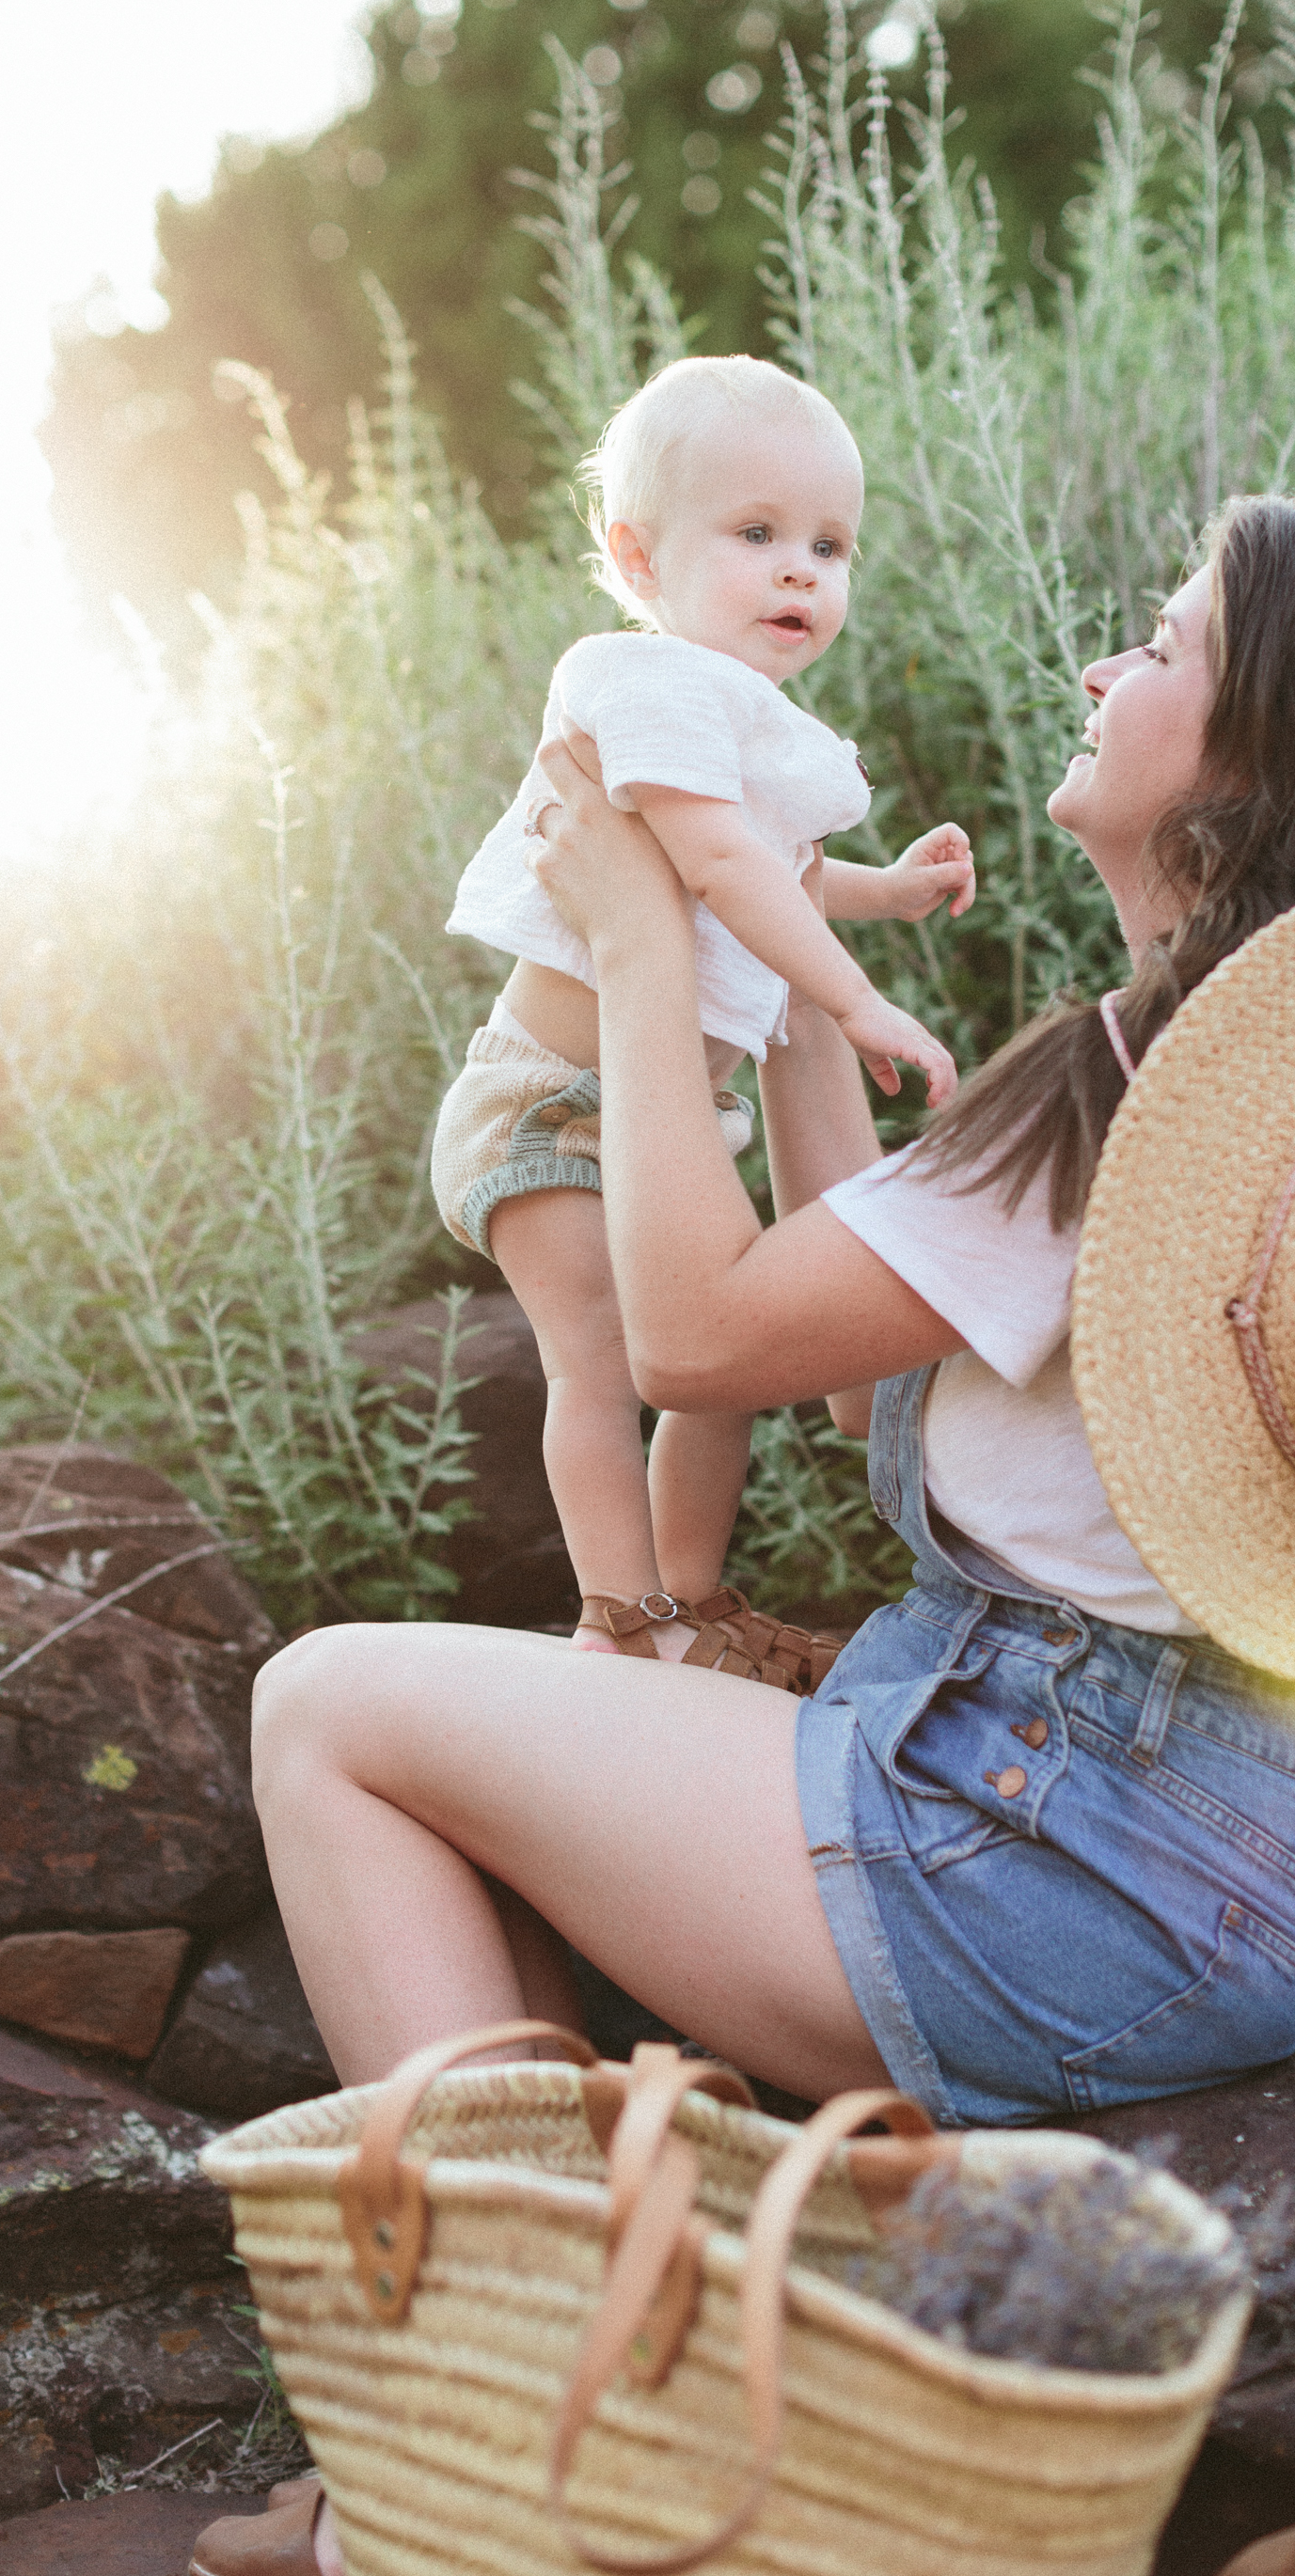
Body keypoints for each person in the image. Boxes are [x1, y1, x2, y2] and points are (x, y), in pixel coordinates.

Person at [202, 490, 1295, 2576]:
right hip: (1214, 1900)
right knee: (565, 1732)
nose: (1108, 669)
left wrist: (648, 959)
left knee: (328, 1710)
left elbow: (700, 1334)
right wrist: (800, 991)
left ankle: (492, 2422)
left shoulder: (1122, 1097)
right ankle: (544, 2376)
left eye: (1167, 643)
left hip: (1015, 1861)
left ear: (1267, 756)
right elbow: (862, 1361)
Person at [432, 353, 973, 1668]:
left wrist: (888, 894)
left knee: (715, 1371)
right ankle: (620, 1613)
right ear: (638, 557)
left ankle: (690, 1597)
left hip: (658, 1115)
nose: (802, 571)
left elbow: (773, 868)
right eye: (756, 534)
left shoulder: (747, 725)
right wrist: (856, 1003)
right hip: (546, 1102)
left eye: (828, 544)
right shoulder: (645, 681)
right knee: (606, 1357)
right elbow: (723, 868)